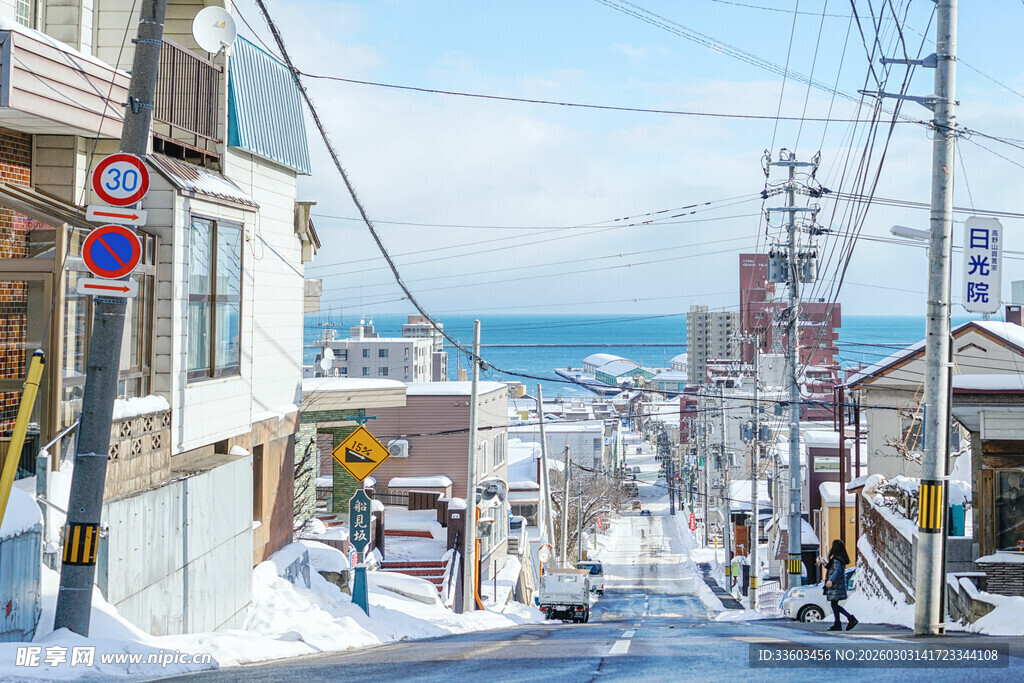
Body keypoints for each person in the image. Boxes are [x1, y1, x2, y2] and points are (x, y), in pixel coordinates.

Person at [821, 539, 858, 631]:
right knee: (834, 604)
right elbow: (833, 568)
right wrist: (824, 563)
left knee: (834, 604)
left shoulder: (837, 559)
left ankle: (849, 619)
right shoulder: (839, 558)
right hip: (838, 585)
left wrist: (831, 580)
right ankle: (838, 623)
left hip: (836, 586)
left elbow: (837, 571)